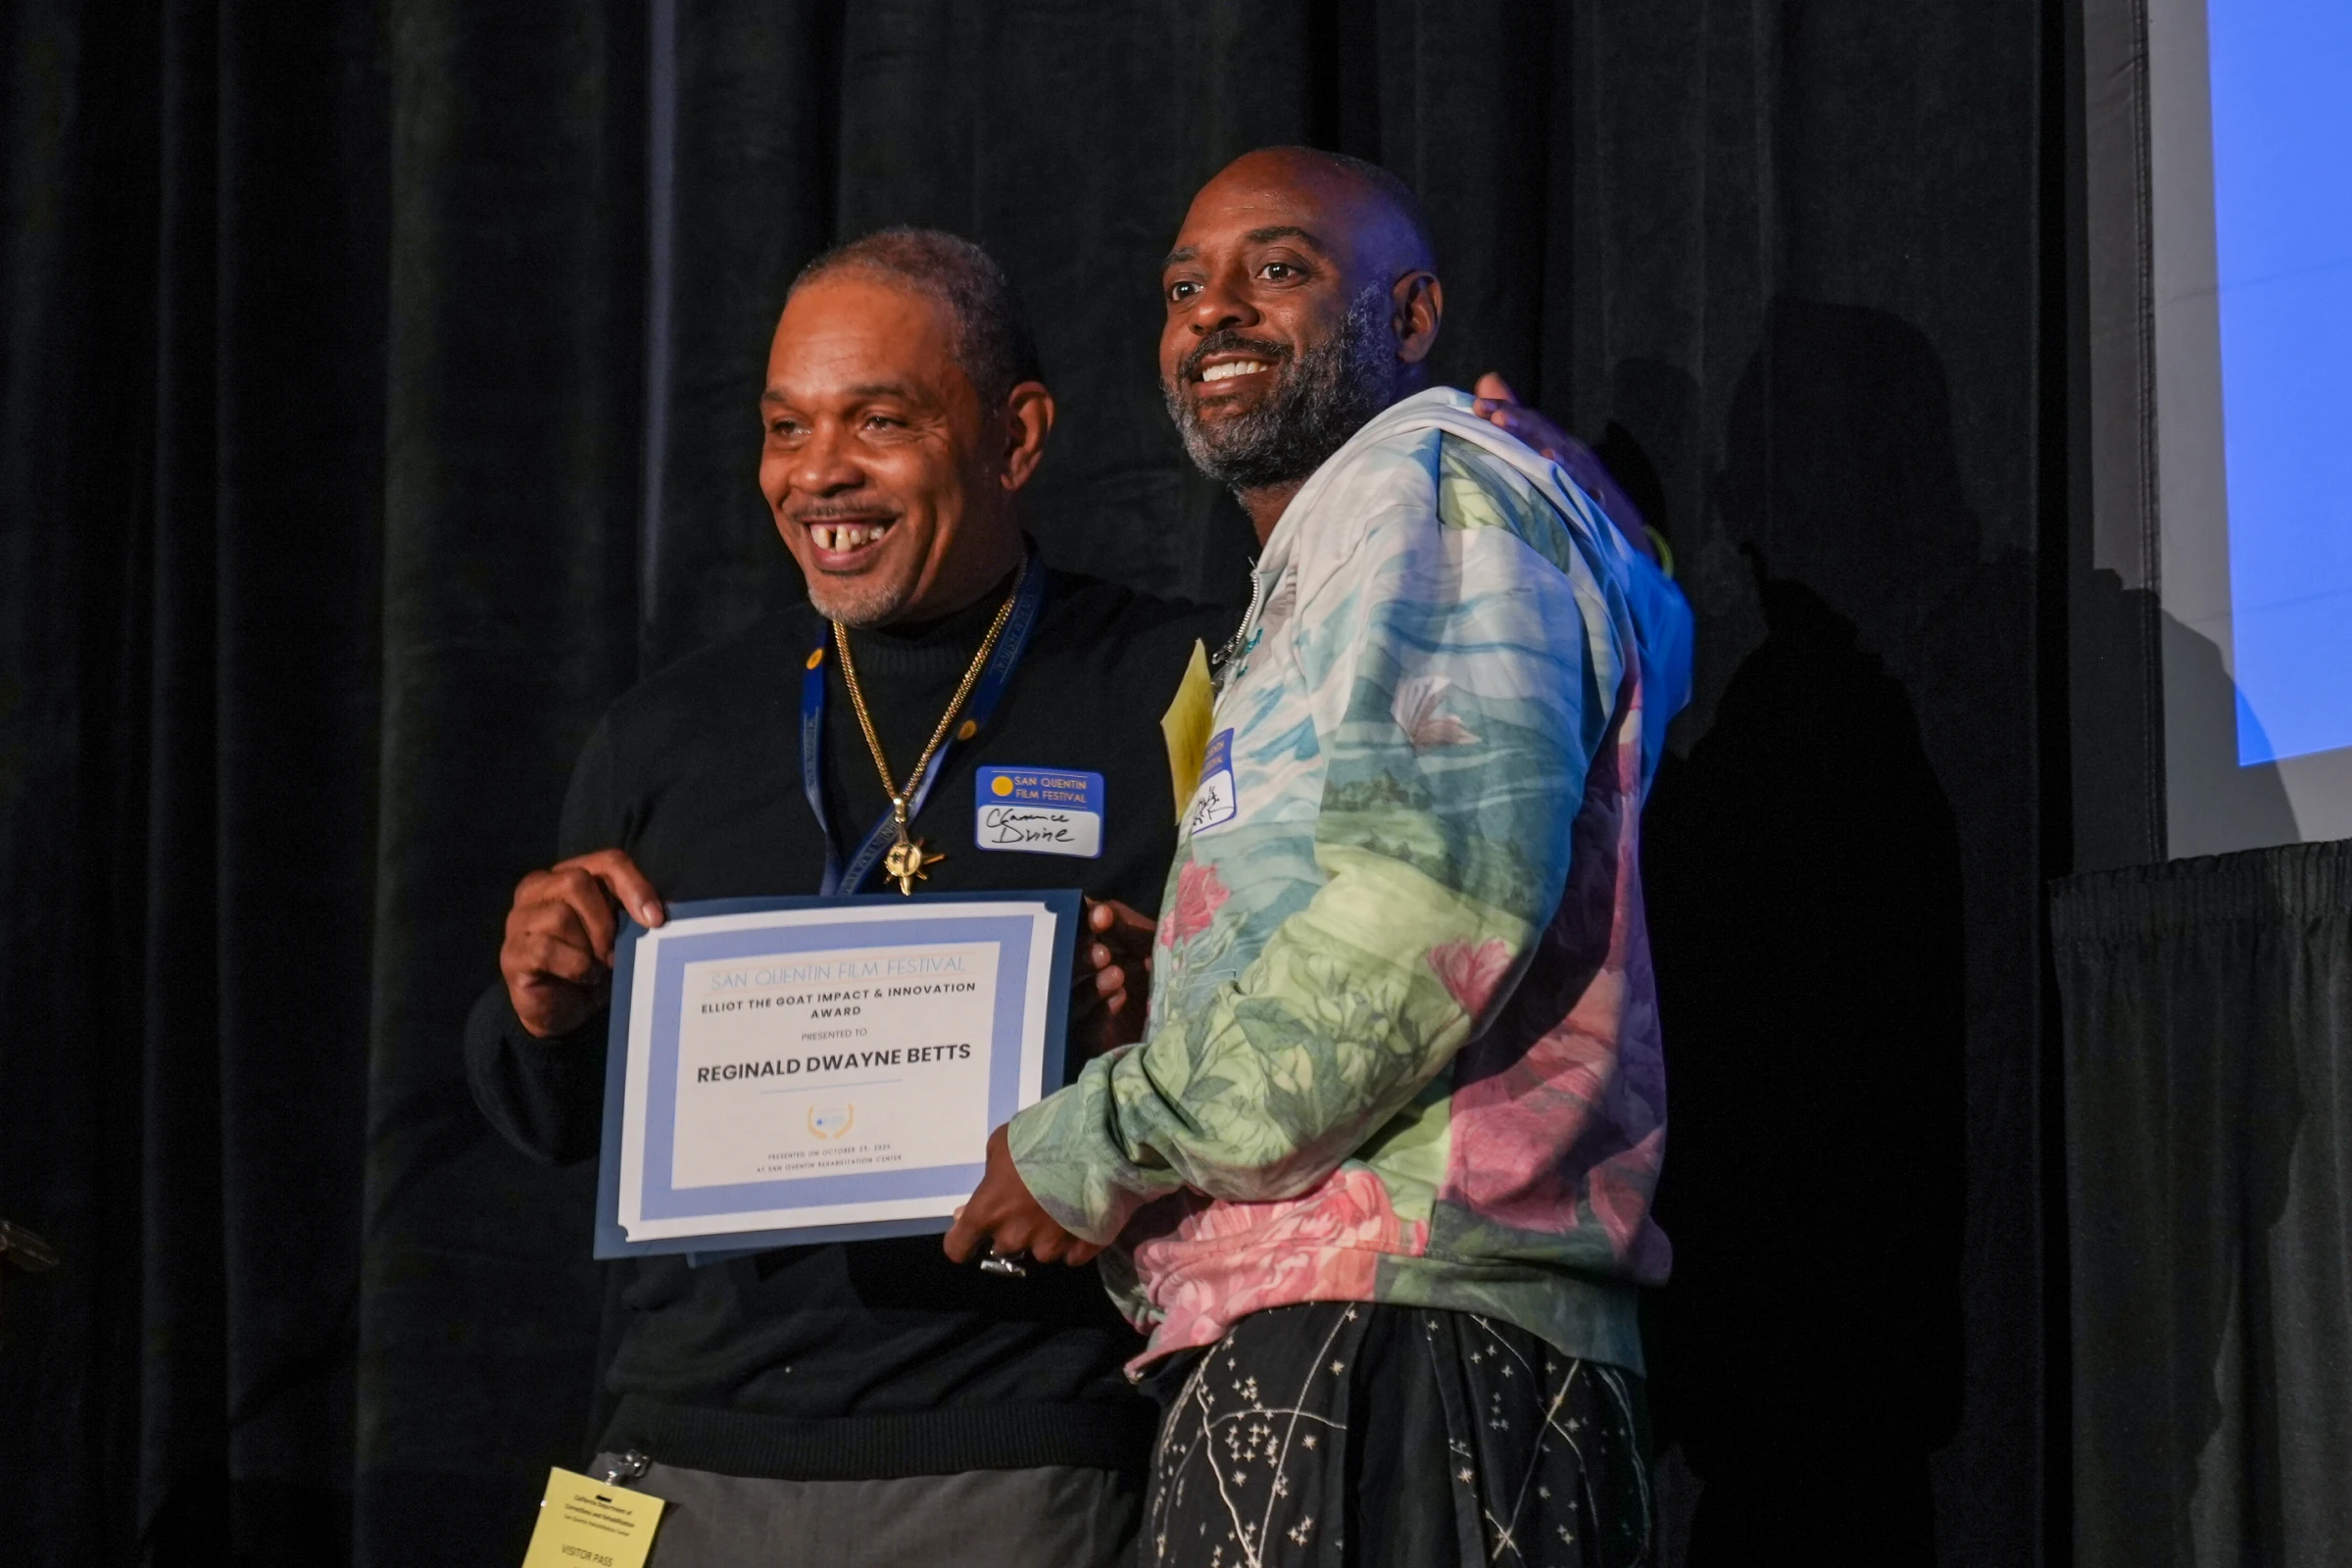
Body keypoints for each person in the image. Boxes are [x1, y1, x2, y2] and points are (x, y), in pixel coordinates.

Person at [950, 148, 1694, 1565]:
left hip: (1400, 1336)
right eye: (1184, 286)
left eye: (1278, 270)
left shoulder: (1423, 486)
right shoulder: (1380, 531)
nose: (1213, 312)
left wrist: (1096, 1140)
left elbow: (1428, 909)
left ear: (1412, 316)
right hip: (1357, 1332)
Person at [467, 227, 1236, 1566]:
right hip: (665, 1456)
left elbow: (1292, 1040)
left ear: (1015, 435)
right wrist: (540, 1008)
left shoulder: (1171, 685)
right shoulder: (668, 733)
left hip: (1003, 1453)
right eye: (786, 427)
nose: (818, 473)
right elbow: (551, 1121)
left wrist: (1156, 1018)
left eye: (879, 420)